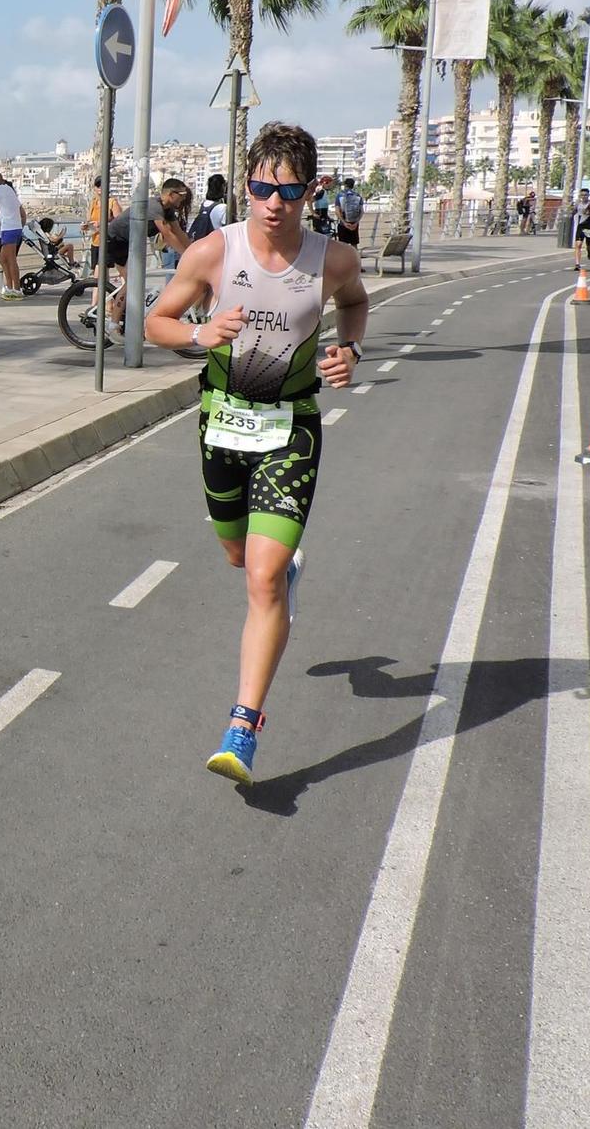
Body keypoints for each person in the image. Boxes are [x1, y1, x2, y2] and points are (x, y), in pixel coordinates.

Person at [144, 122, 368, 786]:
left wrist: (349, 349)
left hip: (290, 426)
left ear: (309, 190)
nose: (274, 202)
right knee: (240, 557)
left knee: (263, 579)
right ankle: (275, 570)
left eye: (289, 189)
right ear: (247, 185)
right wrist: (198, 333)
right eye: (262, 187)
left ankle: (243, 727)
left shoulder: (333, 260)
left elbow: (354, 306)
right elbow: (157, 323)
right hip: (222, 425)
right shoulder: (213, 252)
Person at [96, 178, 193, 333]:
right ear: (170, 194)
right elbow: (167, 233)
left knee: (136, 281)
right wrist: (186, 255)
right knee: (132, 282)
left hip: (130, 243)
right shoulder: (154, 206)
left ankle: (128, 318)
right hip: (115, 240)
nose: (183, 198)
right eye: (181, 195)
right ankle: (113, 324)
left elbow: (179, 233)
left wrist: (193, 251)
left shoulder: (168, 210)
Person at [333, 177, 365, 248]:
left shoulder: (340, 195)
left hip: (343, 224)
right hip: (354, 224)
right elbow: (362, 211)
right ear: (353, 185)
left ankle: (344, 259)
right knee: (354, 245)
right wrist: (356, 223)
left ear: (345, 185)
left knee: (343, 246)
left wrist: (344, 222)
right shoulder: (358, 196)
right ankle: (355, 258)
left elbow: (337, 211)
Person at [572, 192, 590, 267]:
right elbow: (574, 212)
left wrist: (589, 213)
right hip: (580, 226)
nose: (584, 196)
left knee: (588, 244)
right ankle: (577, 264)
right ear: (580, 196)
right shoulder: (577, 204)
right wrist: (571, 212)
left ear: (588, 195)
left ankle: (589, 252)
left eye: (585, 195)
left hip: (588, 227)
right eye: (582, 195)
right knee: (578, 245)